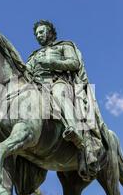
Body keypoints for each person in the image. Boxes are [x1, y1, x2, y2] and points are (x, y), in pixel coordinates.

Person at [26, 20, 104, 181]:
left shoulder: (64, 45)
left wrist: (51, 63)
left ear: (50, 32)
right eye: (36, 34)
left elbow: (74, 63)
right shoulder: (33, 56)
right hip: (37, 86)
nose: (38, 36)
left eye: (41, 32)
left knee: (58, 92)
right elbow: (24, 73)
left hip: (58, 82)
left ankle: (75, 130)